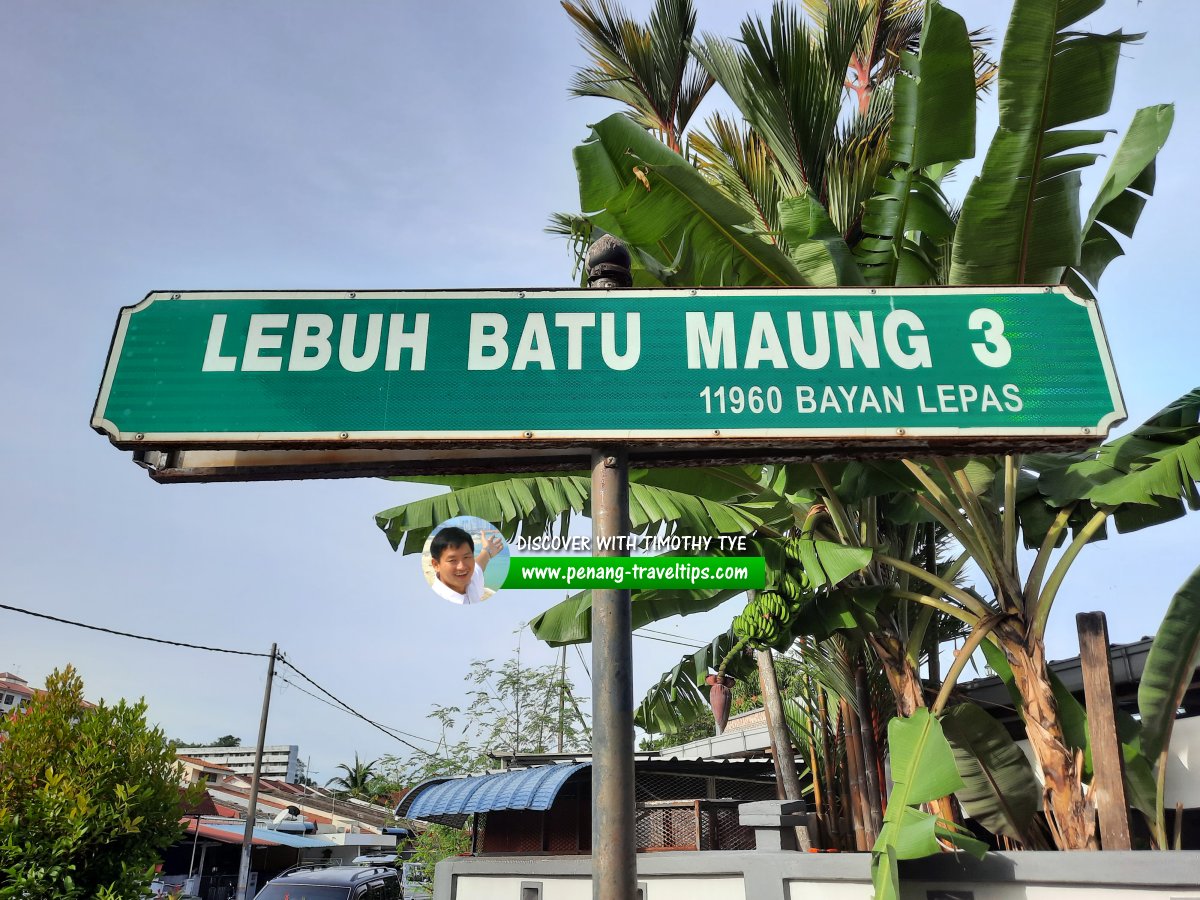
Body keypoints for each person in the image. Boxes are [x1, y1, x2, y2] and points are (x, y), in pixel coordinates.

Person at [428, 525, 504, 605]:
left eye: (466, 557)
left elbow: (479, 564)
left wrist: (487, 551)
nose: (462, 567)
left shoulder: (471, 580)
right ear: (436, 565)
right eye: (452, 560)